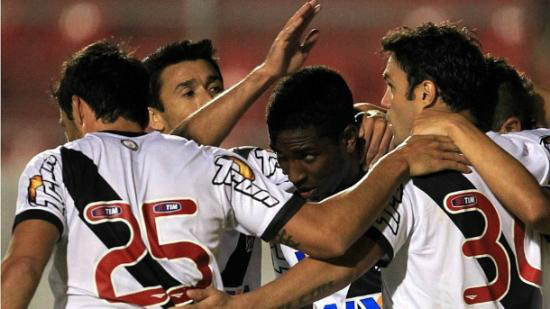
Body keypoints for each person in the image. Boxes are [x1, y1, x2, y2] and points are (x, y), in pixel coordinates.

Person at [0, 35, 468, 309]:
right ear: (152, 115)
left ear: (78, 111)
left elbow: (22, 267)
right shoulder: (220, 168)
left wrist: (363, 123)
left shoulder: (254, 164)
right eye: (189, 92)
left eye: (215, 87)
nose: (211, 101)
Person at [180, 22, 550, 309]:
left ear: (425, 93)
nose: (385, 101)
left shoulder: (405, 180)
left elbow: (340, 259)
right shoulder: (526, 151)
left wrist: (242, 304)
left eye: (390, 84)